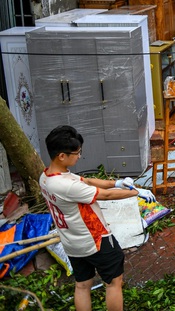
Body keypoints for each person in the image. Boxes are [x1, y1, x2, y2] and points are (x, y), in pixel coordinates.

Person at [39, 125, 156, 311]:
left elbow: (86, 181)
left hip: (72, 242)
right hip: (96, 240)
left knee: (82, 285)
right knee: (114, 282)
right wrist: (136, 192)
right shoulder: (66, 186)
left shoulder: (46, 177)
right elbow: (105, 196)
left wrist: (117, 183)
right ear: (62, 155)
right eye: (77, 153)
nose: (79, 156)